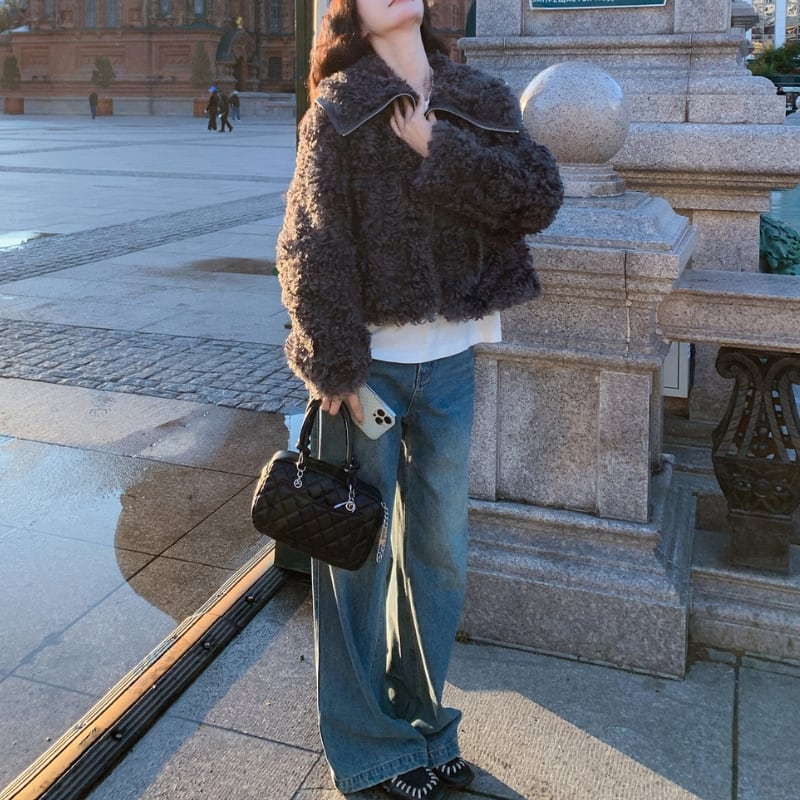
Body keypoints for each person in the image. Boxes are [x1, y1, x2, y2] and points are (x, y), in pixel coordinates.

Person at [275, 0, 563, 797]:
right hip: (370, 371)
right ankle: (371, 749)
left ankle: (425, 722)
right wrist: (336, 364)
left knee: (439, 559)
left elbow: (537, 197)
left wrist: (440, 148)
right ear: (352, 14)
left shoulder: (479, 99)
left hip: (453, 361)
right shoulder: (338, 110)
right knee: (356, 562)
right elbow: (308, 243)